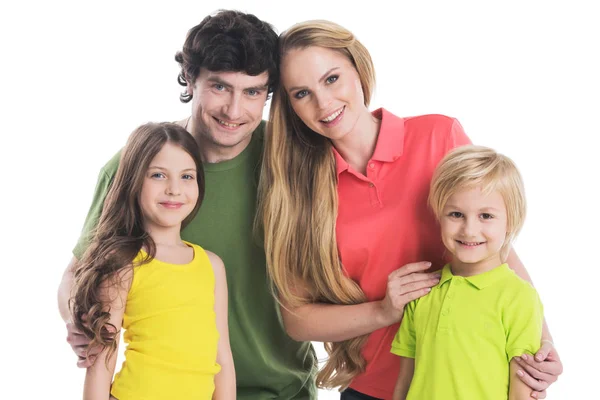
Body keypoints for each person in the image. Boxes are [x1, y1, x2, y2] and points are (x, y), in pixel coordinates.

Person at [259, 20, 562, 399]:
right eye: (302, 93)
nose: (324, 103)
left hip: (472, 383)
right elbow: (298, 320)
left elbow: (497, 250)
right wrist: (384, 311)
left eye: (332, 79)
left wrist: (541, 345)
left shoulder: (439, 137)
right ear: (290, 105)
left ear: (358, 69)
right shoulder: (297, 191)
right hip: (371, 388)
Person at [57, 10, 317, 399]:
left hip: (282, 388)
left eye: (252, 92)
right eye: (219, 87)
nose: (234, 110)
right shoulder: (136, 166)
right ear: (191, 78)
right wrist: (80, 324)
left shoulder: (290, 158)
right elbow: (78, 275)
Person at [70, 122, 234, 399]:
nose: (174, 189)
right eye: (158, 175)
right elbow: (101, 363)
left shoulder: (212, 266)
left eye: (187, 176)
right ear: (134, 181)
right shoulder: (123, 263)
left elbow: (223, 359)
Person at [390, 145, 543, 400]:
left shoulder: (519, 297)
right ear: (439, 215)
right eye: (456, 214)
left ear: (511, 221)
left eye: (486, 216)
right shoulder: (422, 293)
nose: (469, 230)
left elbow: (522, 392)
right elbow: (405, 382)